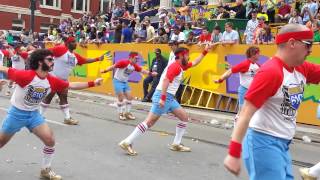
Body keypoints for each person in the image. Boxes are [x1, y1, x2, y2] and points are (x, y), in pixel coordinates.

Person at [223, 24, 320, 180]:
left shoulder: (301, 68)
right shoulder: (271, 72)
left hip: (283, 143)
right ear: (292, 43)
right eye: (308, 45)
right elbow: (245, 112)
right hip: (263, 141)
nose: (310, 50)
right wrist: (233, 153)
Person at [0, 49, 103, 180]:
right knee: (1, 142)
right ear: (39, 62)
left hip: (33, 115)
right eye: (49, 60)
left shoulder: (52, 80)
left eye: (53, 60)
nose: (53, 62)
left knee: (50, 140)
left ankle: (45, 170)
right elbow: (4, 68)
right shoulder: (25, 76)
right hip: (16, 114)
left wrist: (93, 83)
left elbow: (71, 85)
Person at [118, 44, 211, 155]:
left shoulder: (181, 66)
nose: (189, 57)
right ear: (181, 56)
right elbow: (166, 80)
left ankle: (176, 144)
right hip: (163, 96)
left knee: (184, 117)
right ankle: (127, 142)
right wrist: (162, 98)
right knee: (149, 122)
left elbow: (195, 62)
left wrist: (205, 51)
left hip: (170, 98)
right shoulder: (175, 66)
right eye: (187, 55)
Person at [40, 36, 106, 125]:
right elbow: (46, 52)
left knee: (63, 98)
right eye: (73, 42)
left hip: (63, 80)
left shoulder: (75, 56)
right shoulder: (61, 49)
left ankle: (67, 118)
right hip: (53, 78)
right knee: (49, 97)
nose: (75, 43)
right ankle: (39, 117)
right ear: (67, 43)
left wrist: (98, 59)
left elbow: (85, 60)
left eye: (75, 41)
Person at [101, 52, 157, 120]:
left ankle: (127, 113)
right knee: (121, 97)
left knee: (130, 97)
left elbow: (142, 70)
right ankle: (120, 113)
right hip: (117, 81)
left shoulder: (134, 66)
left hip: (125, 82)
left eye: (137, 59)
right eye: (135, 58)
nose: (137, 60)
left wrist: (151, 74)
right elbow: (113, 66)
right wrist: (104, 70)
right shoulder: (123, 62)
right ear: (130, 58)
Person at [215, 46, 260, 124]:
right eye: (258, 53)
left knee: (252, 111)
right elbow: (230, 71)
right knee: (241, 111)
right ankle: (236, 129)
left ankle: (246, 129)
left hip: (253, 91)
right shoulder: (245, 64)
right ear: (253, 54)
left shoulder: (257, 65)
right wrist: (220, 79)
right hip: (244, 90)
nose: (259, 55)